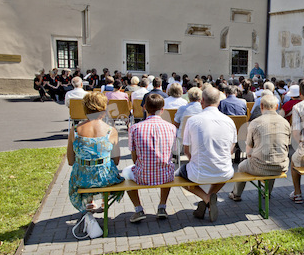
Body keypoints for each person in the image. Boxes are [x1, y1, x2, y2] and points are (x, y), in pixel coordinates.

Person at [178, 87, 237, 222]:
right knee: (222, 172)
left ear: (202, 100)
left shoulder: (192, 120)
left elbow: (186, 150)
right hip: (225, 171)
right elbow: (231, 151)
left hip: (199, 173)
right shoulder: (229, 121)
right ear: (219, 101)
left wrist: (194, 161)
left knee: (179, 175)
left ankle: (206, 198)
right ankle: (210, 198)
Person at [120, 94, 177, 222]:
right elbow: (173, 152)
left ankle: (138, 209)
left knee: (125, 173)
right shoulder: (172, 128)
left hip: (143, 175)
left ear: (144, 107)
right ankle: (162, 206)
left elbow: (134, 156)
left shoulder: (134, 128)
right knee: (168, 167)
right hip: (165, 175)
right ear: (162, 109)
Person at [67, 93, 124, 213]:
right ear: (104, 109)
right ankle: (105, 199)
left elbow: (70, 161)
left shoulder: (75, 130)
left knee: (85, 168)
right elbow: (117, 160)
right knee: (106, 167)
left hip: (81, 179)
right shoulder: (111, 131)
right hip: (105, 179)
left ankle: (89, 201)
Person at [228, 94, 291, 201]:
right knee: (273, 159)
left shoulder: (255, 123)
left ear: (261, 106)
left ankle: (236, 194)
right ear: (277, 106)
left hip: (260, 166)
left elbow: (248, 150)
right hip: (281, 166)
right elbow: (286, 145)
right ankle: (267, 193)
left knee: (242, 166)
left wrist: (252, 157)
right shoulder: (285, 122)